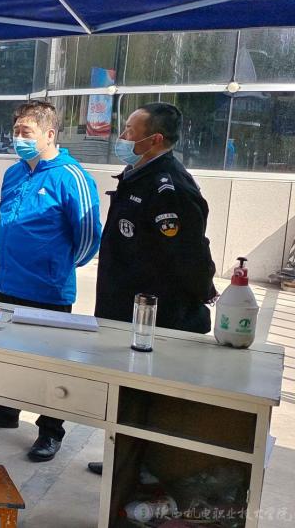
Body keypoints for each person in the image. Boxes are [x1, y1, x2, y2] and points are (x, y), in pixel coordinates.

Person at [0, 101, 102, 462]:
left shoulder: (71, 176)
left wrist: (58, 266)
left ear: (49, 134)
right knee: (6, 353)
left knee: (49, 363)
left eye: (26, 132)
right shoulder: (14, 173)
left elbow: (89, 235)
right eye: (16, 131)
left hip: (47, 289)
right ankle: (5, 410)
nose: (18, 138)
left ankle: (50, 430)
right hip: (6, 282)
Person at [89, 102, 217, 475]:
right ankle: (125, 459)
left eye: (130, 130)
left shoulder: (168, 187)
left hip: (156, 317)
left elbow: (189, 255)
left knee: (152, 398)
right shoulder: (137, 175)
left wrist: (202, 293)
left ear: (154, 139)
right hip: (123, 308)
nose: (122, 136)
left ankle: (147, 468)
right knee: (127, 393)